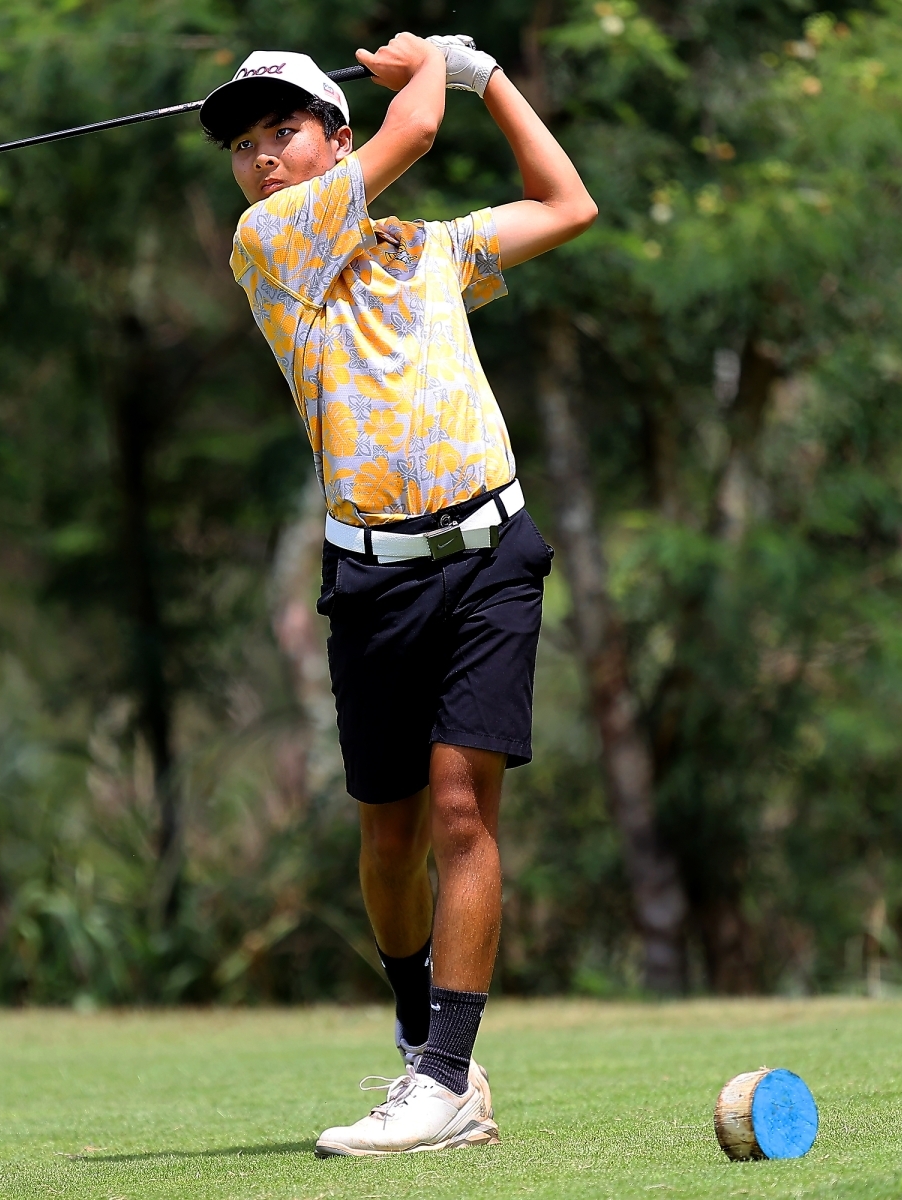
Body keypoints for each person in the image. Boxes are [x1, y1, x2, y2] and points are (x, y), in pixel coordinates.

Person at [199, 33, 597, 1157]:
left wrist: (489, 79)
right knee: (390, 838)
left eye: (283, 131)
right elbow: (415, 127)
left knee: (463, 813)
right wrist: (432, 65)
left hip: (490, 556)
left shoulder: (428, 249)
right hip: (374, 580)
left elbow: (567, 204)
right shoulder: (269, 246)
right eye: (244, 145)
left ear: (334, 138)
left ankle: (446, 1077)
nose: (261, 158)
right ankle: (423, 1037)